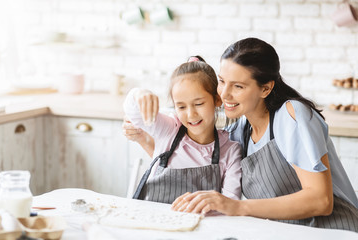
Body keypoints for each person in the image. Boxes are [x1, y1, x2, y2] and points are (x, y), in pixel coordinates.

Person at [123, 38, 358, 232]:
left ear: (265, 88)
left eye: (238, 86)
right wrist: (146, 138)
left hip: (333, 231)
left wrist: (237, 207)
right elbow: (190, 157)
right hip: (286, 232)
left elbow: (321, 201)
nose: (224, 94)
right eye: (222, 82)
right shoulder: (238, 130)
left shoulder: (291, 115)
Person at [123, 56, 242, 204]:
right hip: (153, 221)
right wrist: (139, 93)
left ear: (217, 99)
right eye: (181, 107)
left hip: (203, 224)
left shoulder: (230, 150)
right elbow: (134, 112)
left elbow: (231, 202)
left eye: (198, 104)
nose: (191, 114)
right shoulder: (169, 129)